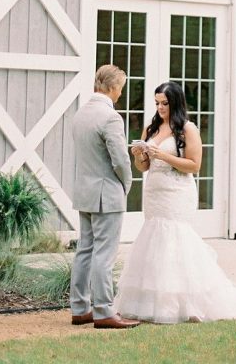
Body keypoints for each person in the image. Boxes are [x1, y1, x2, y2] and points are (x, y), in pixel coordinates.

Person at [116, 81, 236, 324]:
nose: (160, 108)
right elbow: (143, 168)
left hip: (177, 193)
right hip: (155, 192)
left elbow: (194, 166)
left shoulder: (187, 129)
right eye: (157, 103)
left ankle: (186, 303)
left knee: (176, 239)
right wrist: (140, 156)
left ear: (175, 103)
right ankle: (151, 301)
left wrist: (162, 155)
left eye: (164, 103)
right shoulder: (151, 129)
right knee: (154, 238)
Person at [69, 64, 141, 329]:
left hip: (84, 192)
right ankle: (104, 312)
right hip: (106, 194)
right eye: (120, 88)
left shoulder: (80, 114)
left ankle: (79, 308)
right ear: (111, 88)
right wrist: (127, 183)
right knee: (104, 254)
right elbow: (121, 159)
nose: (120, 94)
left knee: (85, 251)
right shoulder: (111, 117)